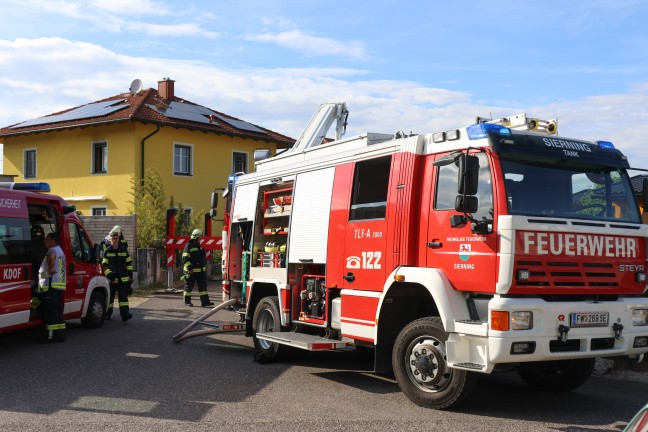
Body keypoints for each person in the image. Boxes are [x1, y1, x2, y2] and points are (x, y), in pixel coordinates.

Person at [37, 233, 66, 342]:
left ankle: (51, 336)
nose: (44, 241)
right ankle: (60, 335)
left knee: (50, 312)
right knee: (58, 311)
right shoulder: (60, 250)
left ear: (52, 240)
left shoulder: (52, 250)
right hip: (58, 286)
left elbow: (51, 258)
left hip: (50, 285)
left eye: (46, 239)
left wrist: (49, 269)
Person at [102, 227, 133, 322]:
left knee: (123, 299)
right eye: (113, 239)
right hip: (112, 280)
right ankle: (107, 314)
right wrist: (110, 276)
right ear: (110, 240)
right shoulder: (107, 251)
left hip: (123, 279)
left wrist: (130, 277)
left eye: (116, 239)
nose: (115, 240)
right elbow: (104, 265)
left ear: (118, 239)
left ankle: (125, 315)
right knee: (110, 299)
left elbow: (129, 264)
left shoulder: (123, 250)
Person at [182, 229, 214, 307]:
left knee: (203, 287)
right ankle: (187, 302)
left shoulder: (199, 246)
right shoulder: (188, 245)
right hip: (191, 271)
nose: (201, 239)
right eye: (200, 237)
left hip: (200, 271)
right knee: (189, 287)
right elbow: (185, 258)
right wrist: (190, 269)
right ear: (196, 236)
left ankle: (205, 302)